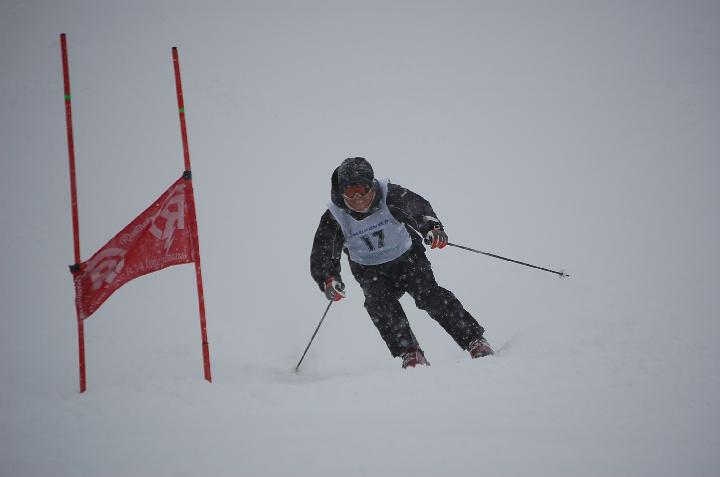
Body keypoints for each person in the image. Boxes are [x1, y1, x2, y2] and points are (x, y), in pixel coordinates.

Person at [310, 157, 493, 368]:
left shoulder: (391, 195)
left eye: (361, 190)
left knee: (429, 295)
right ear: (342, 192)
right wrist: (329, 278)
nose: (357, 198)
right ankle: (410, 353)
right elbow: (323, 251)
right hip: (369, 270)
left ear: (372, 186)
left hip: (407, 259)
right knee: (379, 305)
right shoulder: (335, 216)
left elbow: (418, 208)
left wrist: (432, 229)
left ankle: (474, 340)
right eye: (350, 192)